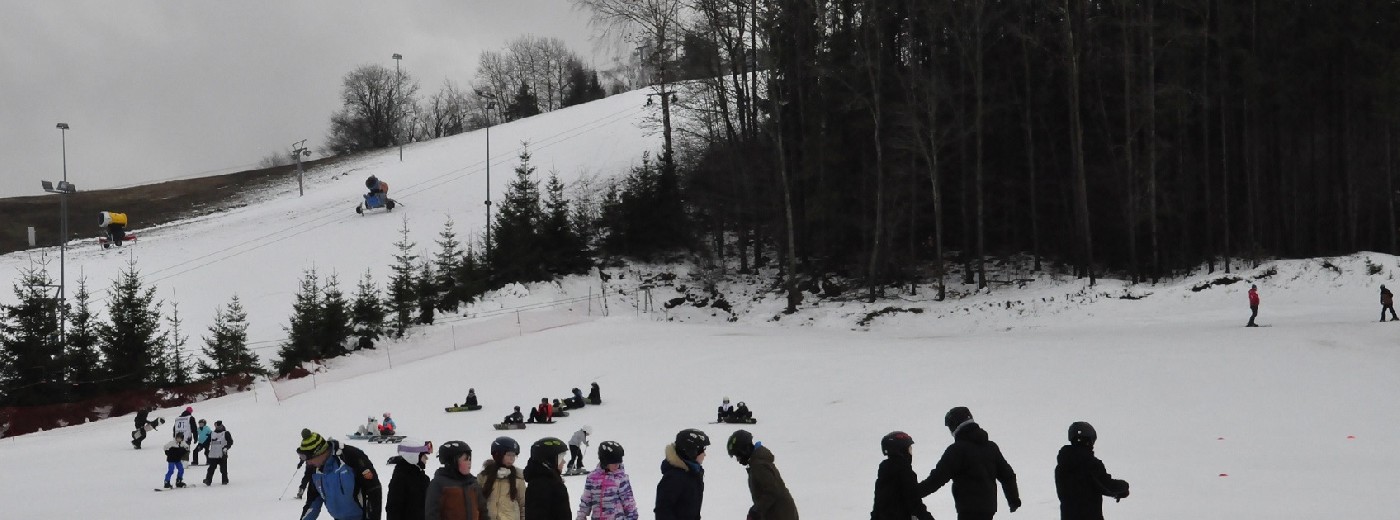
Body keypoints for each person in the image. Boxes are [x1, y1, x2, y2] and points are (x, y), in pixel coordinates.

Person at [919, 407, 1021, 520]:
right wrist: (1013, 499)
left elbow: (937, 478)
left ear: (955, 425)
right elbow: (1008, 475)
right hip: (989, 510)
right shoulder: (991, 447)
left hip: (968, 511)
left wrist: (913, 494)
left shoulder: (957, 450)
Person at [298, 428, 383, 520]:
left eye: (309, 459)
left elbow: (373, 489)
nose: (308, 463)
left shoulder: (350, 456)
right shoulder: (315, 470)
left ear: (320, 452)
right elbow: (313, 501)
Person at [1055, 422, 1129, 520]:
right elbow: (1105, 484)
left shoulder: (1062, 466)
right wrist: (1123, 487)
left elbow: (1091, 486)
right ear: (1089, 440)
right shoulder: (1091, 463)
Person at [726, 430, 798, 520]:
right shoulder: (757, 462)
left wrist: (756, 510)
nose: (738, 460)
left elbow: (772, 491)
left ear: (745, 449)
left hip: (781, 514)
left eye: (738, 455)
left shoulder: (759, 465)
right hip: (778, 513)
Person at [871, 431, 933, 520]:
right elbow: (915, 503)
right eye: (909, 449)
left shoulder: (884, 473)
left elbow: (878, 504)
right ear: (901, 450)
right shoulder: (905, 472)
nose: (911, 453)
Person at [425, 440, 490, 520]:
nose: (469, 463)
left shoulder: (473, 483)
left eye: (470, 459)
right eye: (465, 459)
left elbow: (483, 511)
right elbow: (432, 514)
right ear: (453, 462)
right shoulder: (439, 484)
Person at [575, 441, 639, 520]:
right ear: (604, 461)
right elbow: (586, 500)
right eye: (614, 463)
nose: (617, 465)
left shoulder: (620, 478)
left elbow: (629, 503)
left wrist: (632, 517)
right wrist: (581, 516)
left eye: (619, 462)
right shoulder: (592, 477)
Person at [655, 429, 709, 520]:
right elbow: (663, 510)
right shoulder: (674, 478)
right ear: (691, 451)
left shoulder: (694, 472)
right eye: (701, 450)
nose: (705, 454)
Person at [480, 436, 527, 520]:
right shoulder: (484, 477)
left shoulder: (518, 478)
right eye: (509, 455)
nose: (512, 458)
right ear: (498, 454)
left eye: (514, 455)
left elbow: (523, 505)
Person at [524, 437, 572, 520]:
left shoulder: (552, 481)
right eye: (561, 458)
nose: (564, 462)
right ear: (550, 459)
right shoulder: (542, 485)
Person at [386, 440, 433, 520]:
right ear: (413, 456)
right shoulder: (400, 480)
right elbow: (393, 509)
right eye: (423, 455)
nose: (426, 458)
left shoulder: (423, 478)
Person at [203, 420, 233, 485]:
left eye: (217, 425)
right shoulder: (212, 433)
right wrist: (204, 447)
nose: (216, 426)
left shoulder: (226, 433)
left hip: (222, 454)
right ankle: (208, 480)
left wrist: (226, 447)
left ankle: (224, 480)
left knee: (223, 468)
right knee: (211, 468)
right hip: (213, 454)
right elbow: (207, 442)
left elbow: (230, 442)